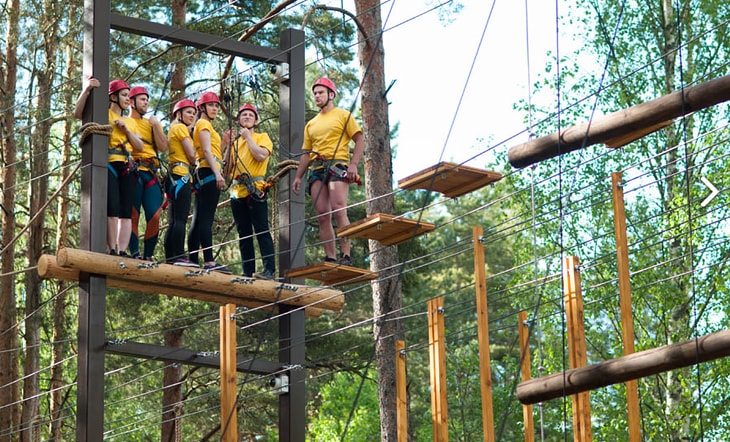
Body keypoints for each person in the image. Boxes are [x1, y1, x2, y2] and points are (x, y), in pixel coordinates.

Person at [293, 77, 364, 265]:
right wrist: (298, 176)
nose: (317, 96)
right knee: (323, 214)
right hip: (317, 168)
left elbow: (359, 139)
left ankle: (346, 255)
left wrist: (354, 164)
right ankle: (331, 257)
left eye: (320, 92)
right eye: (315, 93)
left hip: (337, 165)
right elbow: (306, 154)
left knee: (340, 209)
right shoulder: (311, 124)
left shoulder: (343, 115)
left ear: (331, 95)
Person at [74, 77, 144, 256]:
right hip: (110, 163)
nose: (128, 99)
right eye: (124, 95)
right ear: (113, 97)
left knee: (126, 211)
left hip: (126, 165)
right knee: (112, 207)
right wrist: (87, 90)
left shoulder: (130, 122)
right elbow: (78, 113)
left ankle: (122, 250)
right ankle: (111, 248)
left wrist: (126, 131)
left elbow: (139, 146)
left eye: (129, 95)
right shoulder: (104, 114)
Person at [225, 104, 276, 279]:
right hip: (237, 191)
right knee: (243, 233)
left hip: (255, 189)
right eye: (243, 115)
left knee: (261, 229)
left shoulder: (262, 137)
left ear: (256, 120)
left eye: (250, 115)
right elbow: (228, 170)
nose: (246, 117)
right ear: (239, 120)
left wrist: (248, 138)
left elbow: (261, 156)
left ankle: (269, 269)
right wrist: (227, 145)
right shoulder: (235, 144)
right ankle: (248, 271)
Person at [187, 91, 232, 274]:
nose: (214, 109)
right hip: (209, 172)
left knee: (198, 218)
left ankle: (192, 259)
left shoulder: (204, 125)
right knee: (205, 219)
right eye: (211, 105)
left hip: (204, 172)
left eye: (216, 106)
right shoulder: (204, 124)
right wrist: (218, 174)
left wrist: (225, 143)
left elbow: (213, 152)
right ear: (202, 108)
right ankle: (209, 261)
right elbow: (206, 151)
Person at [127, 86, 168, 261]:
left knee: (155, 215)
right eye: (142, 99)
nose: (146, 102)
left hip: (151, 173)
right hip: (134, 172)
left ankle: (148, 255)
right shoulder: (125, 121)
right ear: (131, 102)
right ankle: (135, 253)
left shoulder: (150, 123)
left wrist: (157, 125)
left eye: (147, 99)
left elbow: (163, 147)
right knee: (133, 215)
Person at [163, 98, 199, 267]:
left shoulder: (173, 128)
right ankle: (179, 255)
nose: (192, 116)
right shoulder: (180, 129)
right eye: (189, 112)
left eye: (194, 113)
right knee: (180, 219)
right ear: (179, 114)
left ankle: (170, 256)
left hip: (174, 177)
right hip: (182, 175)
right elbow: (192, 156)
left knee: (173, 220)